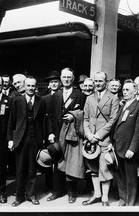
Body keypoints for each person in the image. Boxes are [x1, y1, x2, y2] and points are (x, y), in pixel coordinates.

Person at [46, 68, 86, 203]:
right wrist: (51, 132)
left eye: (69, 77)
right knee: (58, 163)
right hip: (57, 133)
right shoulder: (55, 95)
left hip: (72, 135)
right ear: (61, 78)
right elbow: (50, 117)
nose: (66, 79)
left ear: (73, 79)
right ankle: (57, 191)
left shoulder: (79, 95)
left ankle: (71, 193)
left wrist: (74, 116)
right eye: (64, 77)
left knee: (71, 163)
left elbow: (84, 114)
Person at [7, 76, 46, 207]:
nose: (30, 88)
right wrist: (10, 139)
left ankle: (31, 195)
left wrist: (44, 138)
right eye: (28, 86)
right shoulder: (17, 100)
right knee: (20, 169)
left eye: (32, 86)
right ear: (24, 86)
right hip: (20, 139)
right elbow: (11, 121)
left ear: (36, 87)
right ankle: (19, 197)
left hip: (35, 139)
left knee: (32, 169)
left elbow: (43, 122)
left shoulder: (41, 101)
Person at [83, 71, 119, 206]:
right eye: (95, 81)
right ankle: (97, 194)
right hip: (90, 140)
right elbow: (85, 118)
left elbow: (113, 120)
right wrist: (88, 134)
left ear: (106, 82)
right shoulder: (89, 98)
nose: (97, 83)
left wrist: (98, 135)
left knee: (104, 168)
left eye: (100, 81)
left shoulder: (113, 98)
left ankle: (104, 198)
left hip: (104, 139)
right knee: (92, 168)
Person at [112, 82, 139, 206]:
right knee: (121, 176)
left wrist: (132, 149)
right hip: (118, 146)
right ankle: (122, 199)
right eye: (124, 90)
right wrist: (112, 142)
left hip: (129, 149)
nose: (124, 92)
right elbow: (117, 125)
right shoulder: (123, 105)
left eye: (127, 90)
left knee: (131, 178)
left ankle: (130, 202)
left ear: (135, 91)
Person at [0, 75, 12, 203]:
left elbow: (11, 122)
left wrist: (9, 139)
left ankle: (0, 192)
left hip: (1, 139)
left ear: (2, 86)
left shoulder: (9, 101)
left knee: (0, 167)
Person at [41, 70, 62, 192]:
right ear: (49, 84)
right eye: (51, 82)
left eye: (55, 81)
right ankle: (48, 184)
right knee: (49, 157)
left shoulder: (62, 96)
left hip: (60, 131)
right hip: (48, 132)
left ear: (59, 83)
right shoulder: (44, 98)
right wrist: (47, 133)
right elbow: (45, 117)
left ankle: (58, 186)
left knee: (60, 158)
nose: (54, 84)